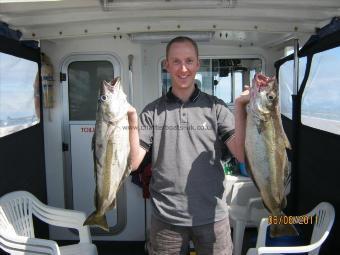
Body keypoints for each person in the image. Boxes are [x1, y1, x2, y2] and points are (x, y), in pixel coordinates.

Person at [127, 36, 249, 255]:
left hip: (213, 217)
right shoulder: (152, 111)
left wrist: (240, 106)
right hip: (166, 218)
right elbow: (134, 163)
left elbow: (240, 154)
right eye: (176, 61)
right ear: (166, 65)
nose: (183, 69)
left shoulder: (217, 107)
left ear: (197, 64)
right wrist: (132, 119)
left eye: (189, 61)